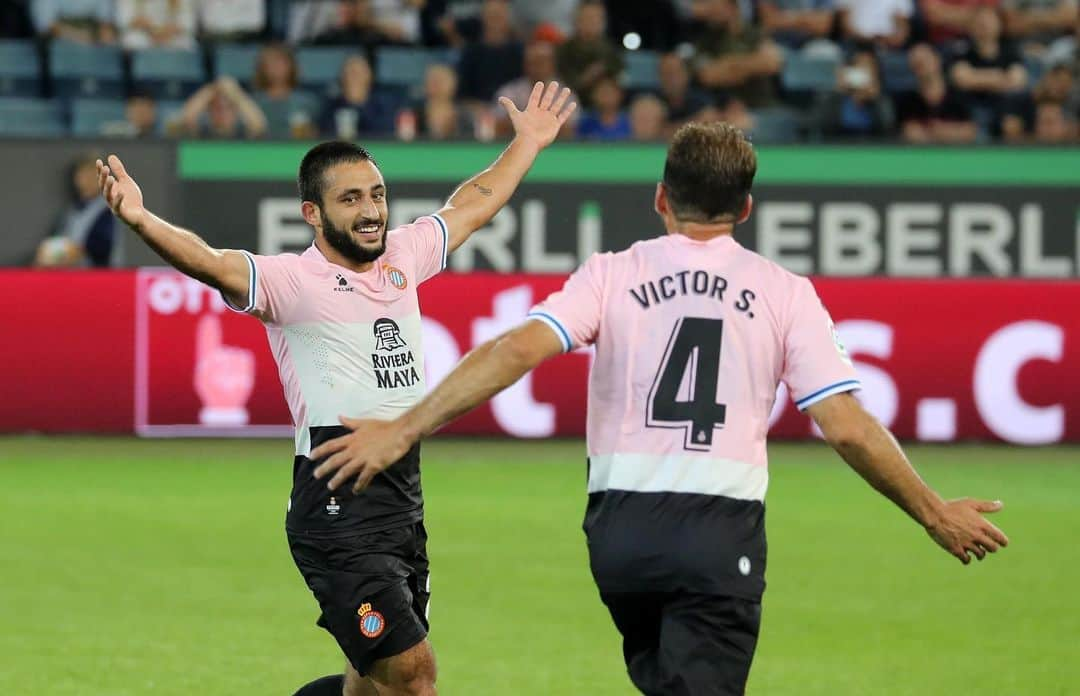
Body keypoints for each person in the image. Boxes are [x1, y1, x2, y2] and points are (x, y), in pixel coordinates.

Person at [310, 121, 1010, 695]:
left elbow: (518, 349)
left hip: (621, 538)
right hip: (717, 533)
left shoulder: (616, 272)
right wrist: (932, 510)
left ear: (660, 199)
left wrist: (405, 427)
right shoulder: (784, 292)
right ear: (746, 209)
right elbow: (846, 425)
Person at [95, 80, 575, 696]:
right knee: (414, 677)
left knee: (370, 686)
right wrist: (139, 217)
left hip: (402, 497)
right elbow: (210, 261)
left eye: (377, 194)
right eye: (351, 199)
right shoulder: (293, 282)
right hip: (336, 503)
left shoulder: (405, 255)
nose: (372, 210)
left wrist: (528, 143)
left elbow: (475, 201)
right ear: (313, 214)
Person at [693, 0, 783, 109]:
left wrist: (729, 65)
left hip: (762, 106)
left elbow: (772, 64)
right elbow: (708, 76)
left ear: (732, 7)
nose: (711, 11)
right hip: (724, 111)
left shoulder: (753, 32)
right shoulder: (706, 40)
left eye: (716, 6)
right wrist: (752, 65)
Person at [35, 154, 116, 268]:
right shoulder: (71, 210)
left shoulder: (108, 209)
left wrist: (74, 251)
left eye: (91, 175)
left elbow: (102, 246)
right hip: (70, 274)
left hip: (100, 276)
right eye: (83, 175)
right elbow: (59, 238)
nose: (87, 180)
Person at [813, 47, 896, 138]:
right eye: (858, 66)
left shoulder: (879, 99)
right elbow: (823, 126)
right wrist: (837, 93)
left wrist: (875, 100)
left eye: (868, 67)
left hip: (872, 147)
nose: (863, 73)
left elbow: (886, 128)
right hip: (838, 145)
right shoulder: (836, 96)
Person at [457, 0, 524, 103]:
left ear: (507, 17)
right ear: (483, 17)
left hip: (513, 107)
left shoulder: (520, 51)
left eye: (498, 16)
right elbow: (463, 94)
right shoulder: (470, 53)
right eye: (491, 16)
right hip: (479, 109)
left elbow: (524, 85)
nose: (495, 20)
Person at [556, 0, 624, 101]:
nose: (591, 23)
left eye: (596, 19)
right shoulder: (564, 50)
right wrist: (586, 78)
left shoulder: (611, 49)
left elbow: (620, 78)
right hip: (572, 102)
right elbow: (560, 83)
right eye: (587, 18)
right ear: (576, 21)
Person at [252, 43, 321, 138]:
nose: (276, 67)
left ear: (291, 66)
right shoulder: (252, 102)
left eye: (280, 62)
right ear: (262, 68)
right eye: (270, 63)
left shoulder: (308, 101)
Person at [319, 55, 396, 139]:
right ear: (342, 78)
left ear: (369, 76)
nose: (354, 77)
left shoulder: (383, 105)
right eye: (350, 72)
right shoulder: (331, 106)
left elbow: (385, 133)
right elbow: (324, 133)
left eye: (359, 73)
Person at [172, 75, 268, 138]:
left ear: (236, 111)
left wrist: (236, 93)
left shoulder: (242, 134)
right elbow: (183, 120)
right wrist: (211, 89)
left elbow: (260, 125)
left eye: (228, 108)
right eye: (217, 108)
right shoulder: (203, 133)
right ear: (209, 111)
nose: (222, 113)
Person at [115, 0, 197, 50]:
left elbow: (188, 22)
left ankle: (178, 77)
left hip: (171, 37)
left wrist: (166, 32)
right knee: (132, 41)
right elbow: (124, 20)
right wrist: (152, 30)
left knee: (187, 43)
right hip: (144, 35)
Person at [836, 0, 912, 49]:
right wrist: (869, 40)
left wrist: (887, 41)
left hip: (888, 47)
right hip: (855, 44)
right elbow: (845, 25)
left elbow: (902, 30)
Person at [30, 0, 116, 43]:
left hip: (94, 55)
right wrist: (83, 37)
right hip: (57, 58)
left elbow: (106, 32)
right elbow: (47, 28)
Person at [575, 73, 631, 139]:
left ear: (620, 94)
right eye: (602, 92)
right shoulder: (584, 123)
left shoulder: (631, 122)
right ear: (593, 95)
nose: (606, 96)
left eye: (609, 92)